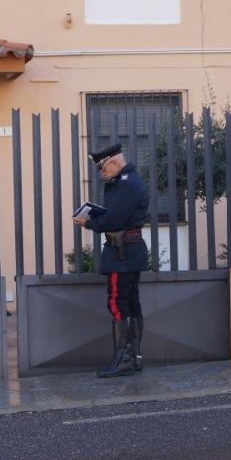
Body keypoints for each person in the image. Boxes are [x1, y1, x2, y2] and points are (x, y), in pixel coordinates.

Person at [73, 143, 149, 378]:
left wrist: (87, 221)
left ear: (115, 162)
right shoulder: (127, 181)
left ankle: (124, 360)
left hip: (122, 253)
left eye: (104, 169)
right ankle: (134, 358)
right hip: (129, 252)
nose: (103, 174)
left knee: (117, 303)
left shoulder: (127, 184)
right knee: (130, 303)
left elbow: (112, 221)